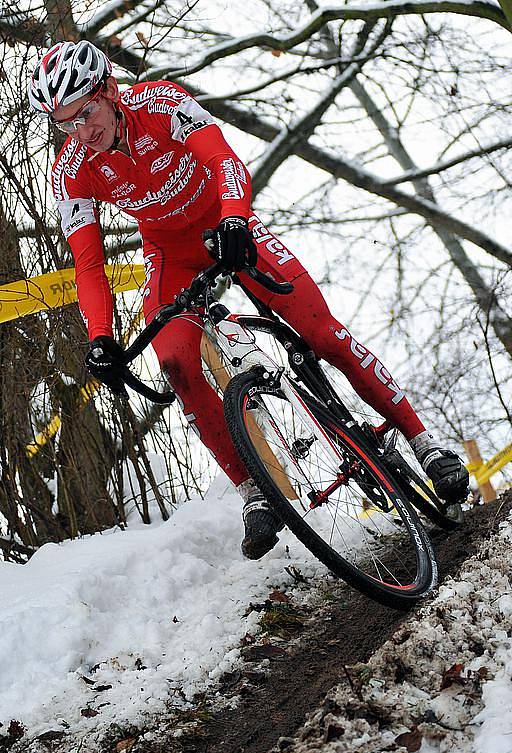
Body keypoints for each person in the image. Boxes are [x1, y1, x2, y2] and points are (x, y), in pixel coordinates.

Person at [29, 41, 469, 558]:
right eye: (66, 122)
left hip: (227, 223)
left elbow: (225, 161)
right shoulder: (70, 170)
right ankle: (254, 492)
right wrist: (101, 337)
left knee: (322, 334)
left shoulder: (162, 103)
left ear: (108, 90)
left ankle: (424, 442)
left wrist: (237, 217)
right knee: (174, 362)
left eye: (86, 112)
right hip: (171, 255)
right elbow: (88, 265)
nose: (82, 130)